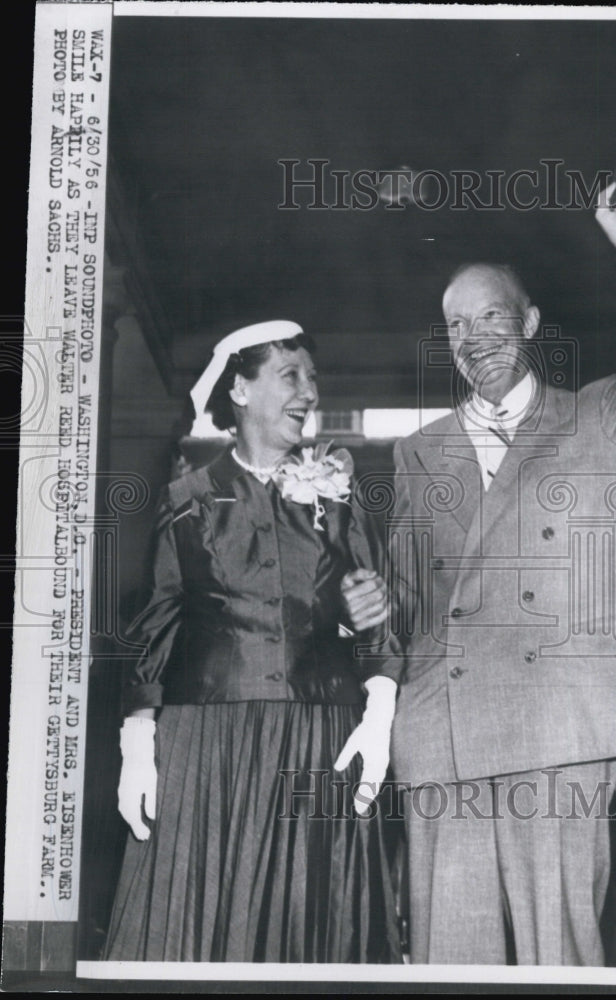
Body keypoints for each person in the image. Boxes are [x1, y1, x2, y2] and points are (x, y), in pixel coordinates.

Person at [381, 179, 616, 965]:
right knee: (449, 959)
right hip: (446, 733)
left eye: (490, 315)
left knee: (556, 956)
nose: (471, 339)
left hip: (560, 728)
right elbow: (405, 599)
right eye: (454, 326)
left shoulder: (597, 414)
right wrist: (353, 601)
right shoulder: (418, 451)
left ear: (530, 322)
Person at [105, 320, 401, 963]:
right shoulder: (186, 499)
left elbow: (376, 620)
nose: (309, 393)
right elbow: (154, 624)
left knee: (309, 928)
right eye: (290, 375)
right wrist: (137, 744)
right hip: (207, 746)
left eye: (313, 378)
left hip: (319, 738)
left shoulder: (340, 499)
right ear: (240, 389)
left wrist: (378, 719)